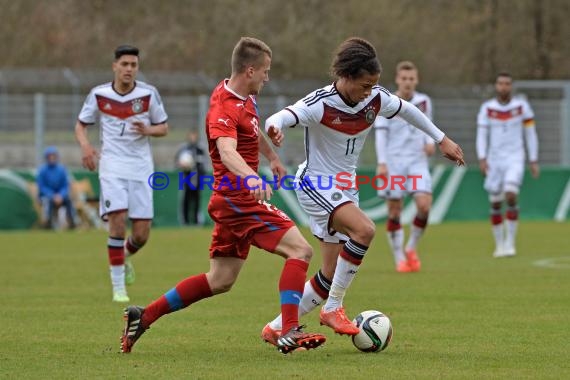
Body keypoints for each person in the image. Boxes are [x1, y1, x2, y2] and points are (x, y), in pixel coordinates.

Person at [120, 37, 326, 355]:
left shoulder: (242, 96)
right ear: (250, 70)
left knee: (220, 279)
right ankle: (288, 330)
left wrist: (271, 157)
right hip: (238, 198)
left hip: (231, 200)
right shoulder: (224, 106)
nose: (267, 78)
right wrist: (252, 177)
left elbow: (251, 129)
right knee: (300, 251)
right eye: (265, 72)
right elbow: (226, 151)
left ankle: (144, 316)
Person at [262, 37, 464, 343]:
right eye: (364, 85)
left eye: (373, 85)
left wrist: (441, 139)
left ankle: (276, 327)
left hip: (345, 188)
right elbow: (285, 115)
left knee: (328, 274)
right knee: (365, 230)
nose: (369, 92)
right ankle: (333, 309)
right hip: (316, 183)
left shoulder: (375, 99)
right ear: (346, 76)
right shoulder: (320, 103)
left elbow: (408, 110)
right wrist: (274, 126)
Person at [74, 45, 169, 302]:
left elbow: (164, 128)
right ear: (115, 66)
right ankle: (118, 288)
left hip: (140, 166)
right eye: (124, 64)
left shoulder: (148, 94)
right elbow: (81, 125)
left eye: (133, 65)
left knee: (141, 234)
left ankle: (123, 258)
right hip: (112, 165)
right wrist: (85, 147)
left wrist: (148, 130)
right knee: (116, 221)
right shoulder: (99, 94)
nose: (129, 69)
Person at [374, 61, 435, 273]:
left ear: (416, 80)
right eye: (404, 79)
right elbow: (381, 134)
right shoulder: (387, 102)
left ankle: (411, 248)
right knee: (394, 211)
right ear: (398, 80)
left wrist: (430, 142)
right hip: (393, 163)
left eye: (411, 79)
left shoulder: (424, 101)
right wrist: (382, 163)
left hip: (417, 161)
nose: (408, 82)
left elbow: (428, 124)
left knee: (425, 205)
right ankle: (399, 258)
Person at [476, 72, 539, 258]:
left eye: (507, 83)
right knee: (495, 201)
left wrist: (533, 159)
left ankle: (511, 243)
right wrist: (482, 157)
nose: (504, 87)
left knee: (511, 194)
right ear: (496, 86)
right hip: (494, 160)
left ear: (511, 86)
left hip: (515, 157)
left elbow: (530, 133)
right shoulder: (487, 108)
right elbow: (482, 134)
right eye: (500, 83)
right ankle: (500, 245)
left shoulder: (522, 107)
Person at [37, 146, 78, 229]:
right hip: (46, 197)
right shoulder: (42, 170)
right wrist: (52, 196)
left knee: (69, 200)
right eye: (50, 156)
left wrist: (61, 195)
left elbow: (65, 185)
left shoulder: (62, 169)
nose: (52, 158)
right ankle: (48, 223)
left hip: (60, 197)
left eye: (53, 156)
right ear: (46, 157)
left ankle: (72, 222)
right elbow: (42, 187)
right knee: (47, 202)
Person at [175, 129, 206, 225]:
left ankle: (197, 220)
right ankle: (185, 221)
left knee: (197, 199)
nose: (193, 137)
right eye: (191, 135)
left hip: (197, 178)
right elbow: (177, 161)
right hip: (186, 178)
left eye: (194, 135)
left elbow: (203, 163)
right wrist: (182, 164)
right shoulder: (184, 148)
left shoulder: (200, 149)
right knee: (186, 199)